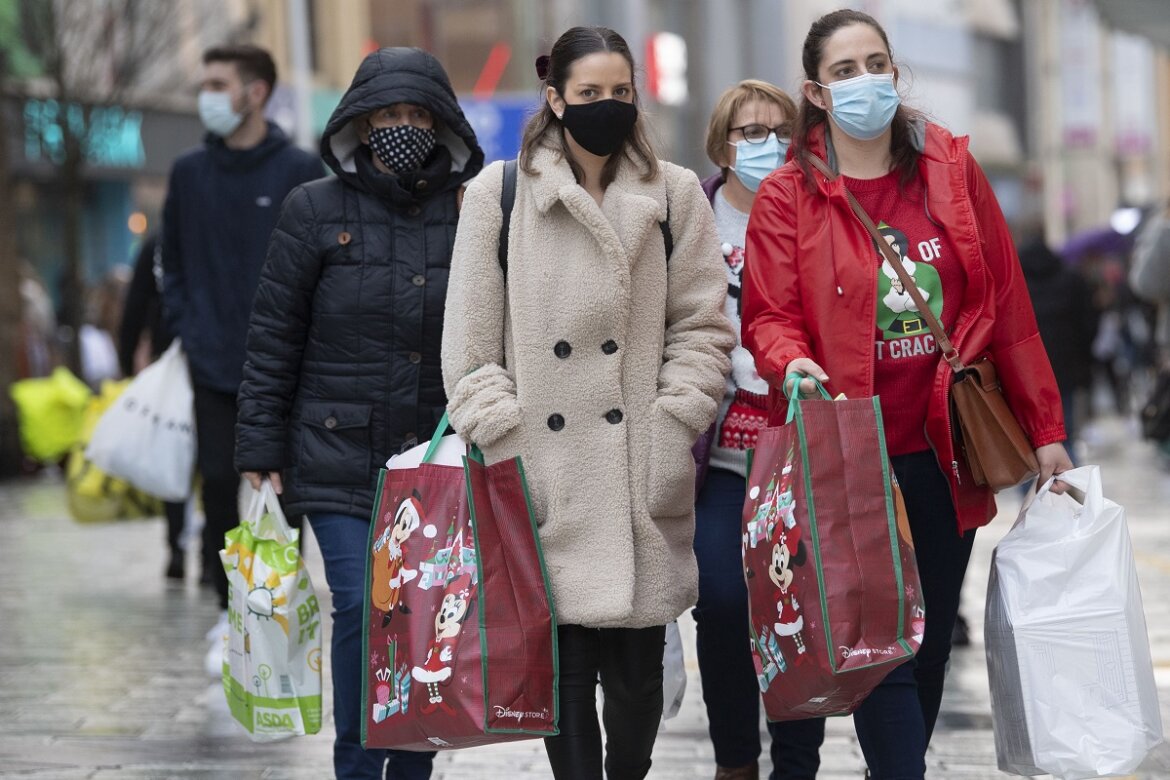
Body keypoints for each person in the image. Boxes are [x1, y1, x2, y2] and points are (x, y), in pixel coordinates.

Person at [740, 10, 1072, 779]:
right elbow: (769, 314)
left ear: (895, 72)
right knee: (882, 646)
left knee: (927, 648)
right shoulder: (789, 195)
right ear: (816, 93)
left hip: (944, 449)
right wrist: (790, 361)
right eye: (844, 71)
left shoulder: (951, 171)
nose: (865, 81)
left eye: (876, 64)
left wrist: (1047, 430)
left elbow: (1007, 307)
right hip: (848, 457)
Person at [441, 26, 734, 780]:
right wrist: (509, 444)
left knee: (636, 693)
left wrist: (674, 423)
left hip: (640, 474)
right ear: (554, 99)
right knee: (563, 685)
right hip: (542, 476)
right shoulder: (499, 194)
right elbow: (470, 350)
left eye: (621, 91)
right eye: (589, 92)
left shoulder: (672, 194)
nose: (608, 105)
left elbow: (702, 327)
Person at [235, 46, 483, 779]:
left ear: (442, 125)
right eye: (388, 114)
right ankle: (355, 763)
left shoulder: (473, 214)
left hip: (433, 455)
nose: (403, 127)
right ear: (361, 122)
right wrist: (260, 447)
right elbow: (274, 333)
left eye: (417, 115)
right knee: (360, 604)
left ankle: (410, 764)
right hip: (335, 449)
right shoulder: (313, 210)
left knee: (420, 609)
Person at [159, 43, 322, 671]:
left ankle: (272, 614)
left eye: (217, 83)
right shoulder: (189, 173)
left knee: (284, 496)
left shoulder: (299, 170)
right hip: (212, 363)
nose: (206, 95)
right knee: (219, 487)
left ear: (255, 92)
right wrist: (188, 326)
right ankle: (227, 612)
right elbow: (171, 261)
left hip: (287, 367)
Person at [692, 80, 825, 780]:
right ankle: (736, 759)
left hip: (798, 447)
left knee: (795, 603)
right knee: (720, 601)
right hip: (716, 457)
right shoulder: (690, 216)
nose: (766, 144)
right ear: (723, 143)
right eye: (750, 131)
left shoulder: (817, 210)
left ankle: (797, 763)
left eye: (780, 130)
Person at [118, 233, 188, 580]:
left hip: (171, 361)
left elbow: (134, 307)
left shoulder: (158, 243)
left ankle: (178, 545)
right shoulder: (163, 243)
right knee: (210, 460)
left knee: (173, 452)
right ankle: (205, 552)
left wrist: (125, 362)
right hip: (211, 362)